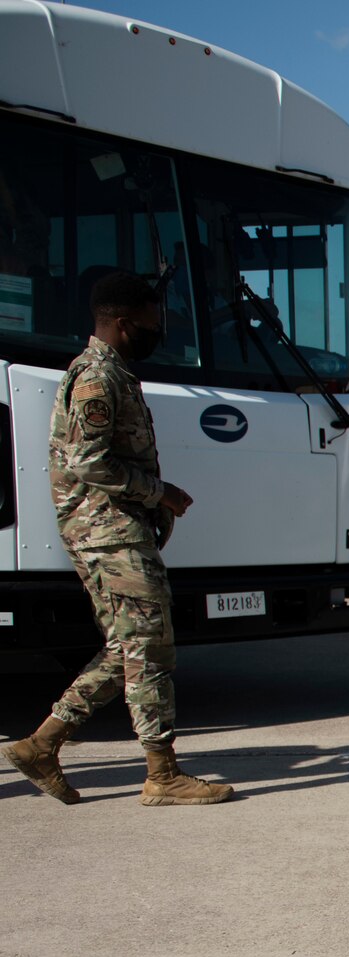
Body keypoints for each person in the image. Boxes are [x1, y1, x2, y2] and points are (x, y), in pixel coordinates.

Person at [6, 272, 229, 806]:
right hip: (106, 531)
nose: (157, 333)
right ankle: (162, 774)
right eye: (151, 325)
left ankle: (42, 745)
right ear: (123, 324)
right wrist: (161, 493)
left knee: (128, 646)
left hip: (114, 528)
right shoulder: (95, 379)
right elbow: (87, 461)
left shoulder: (115, 373)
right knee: (150, 646)